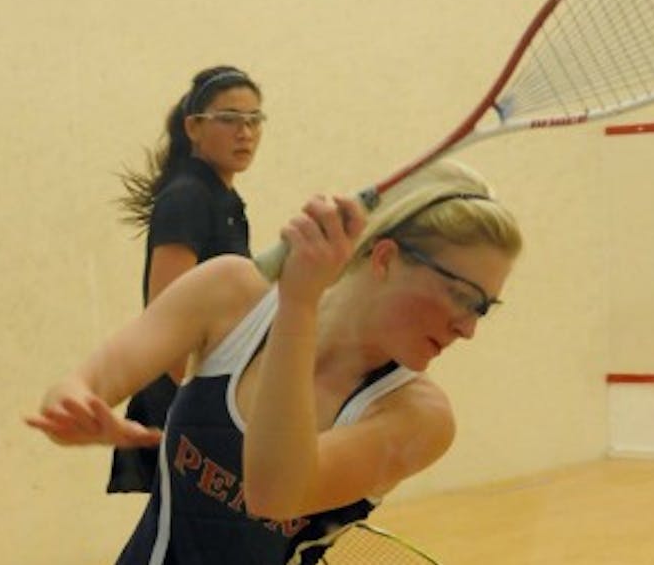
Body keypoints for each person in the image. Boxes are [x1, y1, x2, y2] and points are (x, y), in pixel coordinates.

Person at [26, 159, 524, 564]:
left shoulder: (418, 418)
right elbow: (83, 385)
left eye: (483, 308)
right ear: (385, 257)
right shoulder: (228, 292)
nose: (469, 327)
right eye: (461, 296)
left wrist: (299, 303)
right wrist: (69, 406)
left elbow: (276, 493)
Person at [107, 65, 266, 494]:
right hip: (184, 405)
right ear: (193, 127)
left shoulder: (222, 196)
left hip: (208, 398)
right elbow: (166, 315)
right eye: (229, 119)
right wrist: (205, 413)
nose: (245, 132)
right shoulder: (188, 198)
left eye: (254, 120)